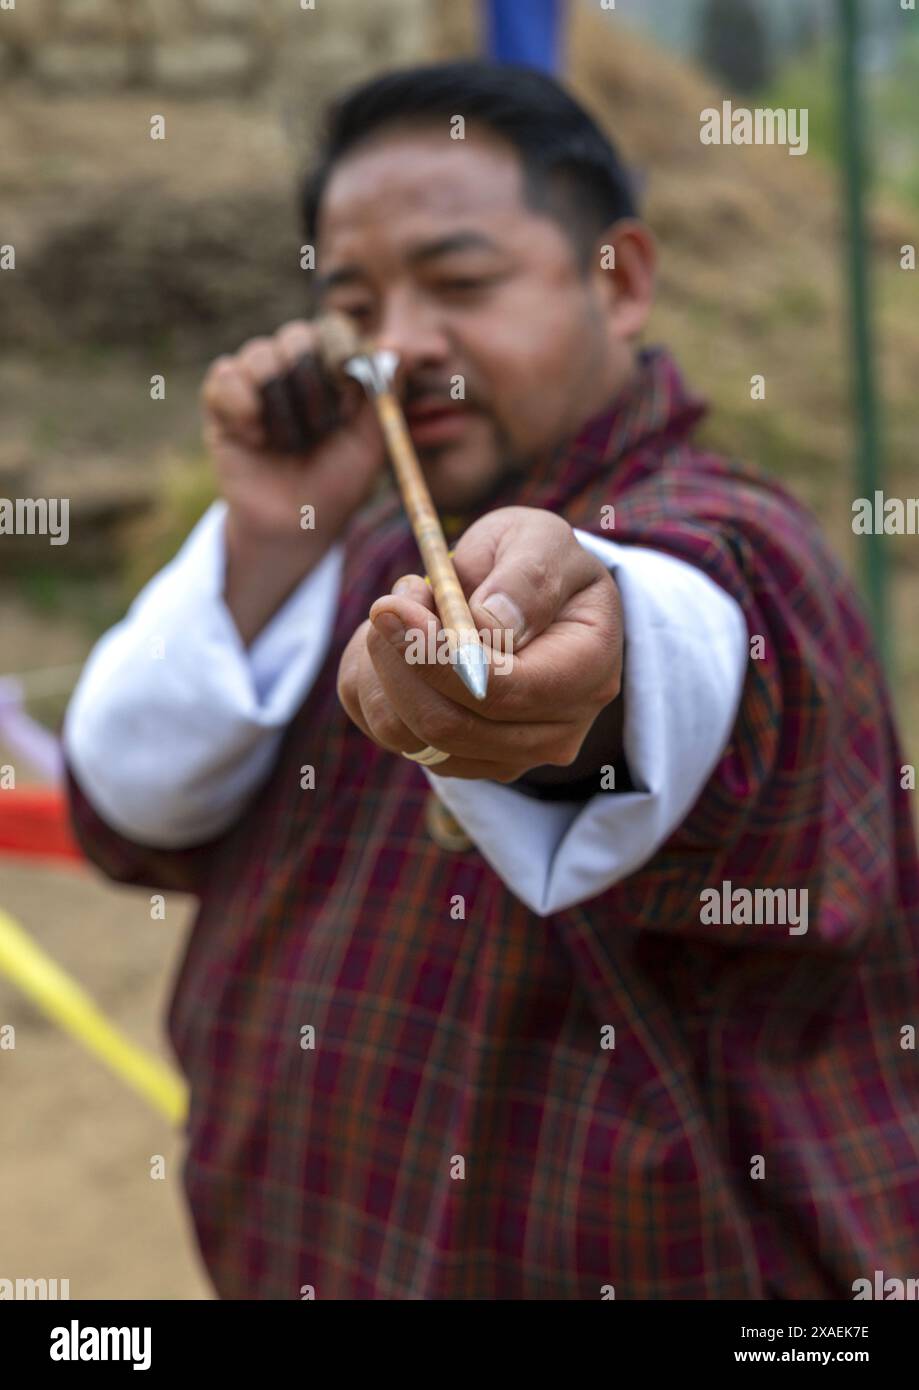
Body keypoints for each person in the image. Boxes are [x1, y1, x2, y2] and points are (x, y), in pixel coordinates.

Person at [63, 62, 919, 1300]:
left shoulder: (733, 541)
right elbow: (134, 807)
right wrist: (271, 534)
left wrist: (580, 667)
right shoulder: (348, 562)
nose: (399, 349)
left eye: (461, 283)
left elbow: (690, 627)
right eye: (354, 304)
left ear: (616, 282)